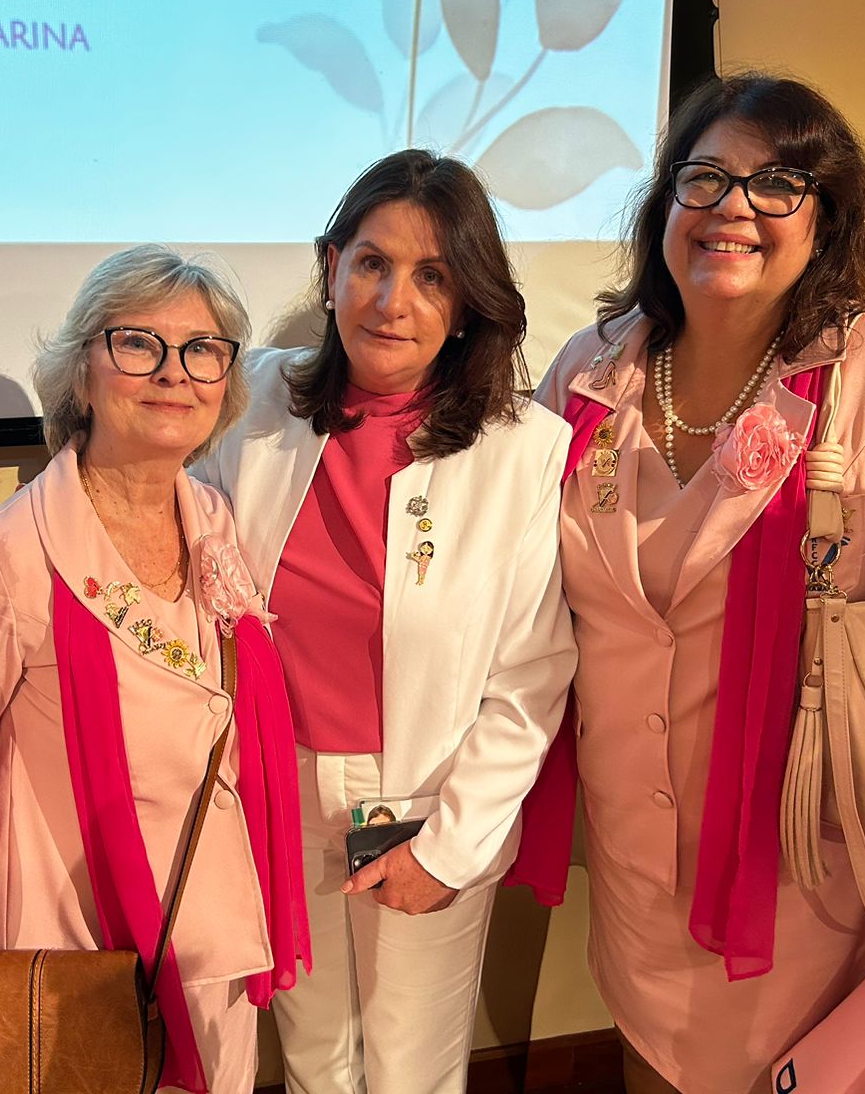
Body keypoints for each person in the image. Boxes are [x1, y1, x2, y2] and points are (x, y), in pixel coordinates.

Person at [532, 72, 865, 1094]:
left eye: (778, 184)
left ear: (825, 221)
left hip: (809, 864)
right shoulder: (589, 370)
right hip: (635, 856)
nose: (733, 208)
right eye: (706, 179)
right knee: (654, 1065)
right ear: (664, 206)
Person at [192, 149, 577, 1094]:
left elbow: (530, 680)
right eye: (371, 263)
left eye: (431, 276)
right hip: (276, 796)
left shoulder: (522, 450)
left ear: (468, 302)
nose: (391, 301)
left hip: (422, 805)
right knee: (316, 1056)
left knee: (411, 1069)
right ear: (331, 269)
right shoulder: (254, 402)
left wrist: (449, 846)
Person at [0, 245, 309, 1094]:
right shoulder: (5, 557)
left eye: (202, 351)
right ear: (81, 370)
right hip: (74, 952)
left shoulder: (217, 523)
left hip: (210, 932)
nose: (173, 374)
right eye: (138, 344)